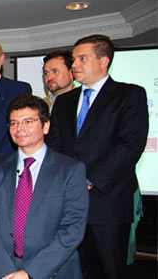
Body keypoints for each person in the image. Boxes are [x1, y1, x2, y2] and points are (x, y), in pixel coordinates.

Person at [46, 34, 148, 279]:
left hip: (108, 203)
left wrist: (88, 180)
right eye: (74, 59)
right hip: (69, 206)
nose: (75, 65)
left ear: (104, 61)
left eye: (82, 59)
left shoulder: (128, 95)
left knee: (113, 271)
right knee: (77, 271)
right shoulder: (64, 101)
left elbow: (130, 146)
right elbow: (55, 145)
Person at [0, 95, 89, 279]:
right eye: (13, 123)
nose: (19, 128)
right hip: (1, 271)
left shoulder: (71, 170)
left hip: (53, 270)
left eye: (28, 121)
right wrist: (6, 271)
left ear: (45, 126)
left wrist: (31, 273)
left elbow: (73, 229)